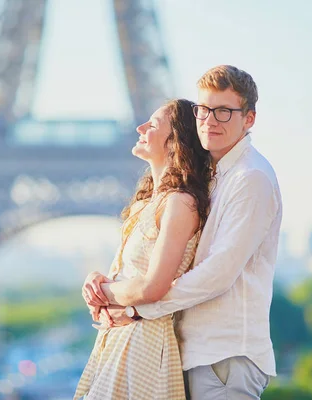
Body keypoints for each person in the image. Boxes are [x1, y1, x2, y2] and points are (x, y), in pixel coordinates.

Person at [84, 65, 282, 399]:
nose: (210, 120)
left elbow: (217, 274)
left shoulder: (250, 179)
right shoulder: (212, 179)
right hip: (195, 351)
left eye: (224, 111)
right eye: (203, 110)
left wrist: (135, 305)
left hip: (225, 355)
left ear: (249, 119)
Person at [74, 98, 212, 400]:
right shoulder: (147, 204)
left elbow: (153, 286)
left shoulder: (180, 202)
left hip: (143, 342)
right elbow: (127, 274)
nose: (139, 128)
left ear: (175, 141)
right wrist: (96, 282)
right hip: (122, 337)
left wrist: (105, 293)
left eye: (152, 125)